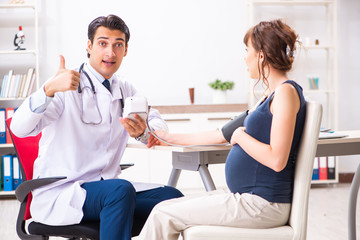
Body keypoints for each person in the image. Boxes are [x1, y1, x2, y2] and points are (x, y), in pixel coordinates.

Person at [10, 14, 183, 240]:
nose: (110, 52)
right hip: (64, 192)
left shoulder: (125, 89)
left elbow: (156, 120)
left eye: (117, 45)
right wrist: (48, 90)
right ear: (89, 46)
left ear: (125, 50)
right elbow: (19, 128)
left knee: (173, 198)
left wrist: (144, 133)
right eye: (103, 43)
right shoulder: (65, 85)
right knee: (119, 191)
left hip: (106, 190)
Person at [136, 19, 306, 240]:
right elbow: (220, 134)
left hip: (262, 204)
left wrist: (240, 138)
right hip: (249, 199)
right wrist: (166, 137)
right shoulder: (268, 97)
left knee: (162, 213)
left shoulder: (285, 93)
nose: (244, 57)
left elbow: (277, 159)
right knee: (164, 208)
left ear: (261, 55)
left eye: (247, 51)